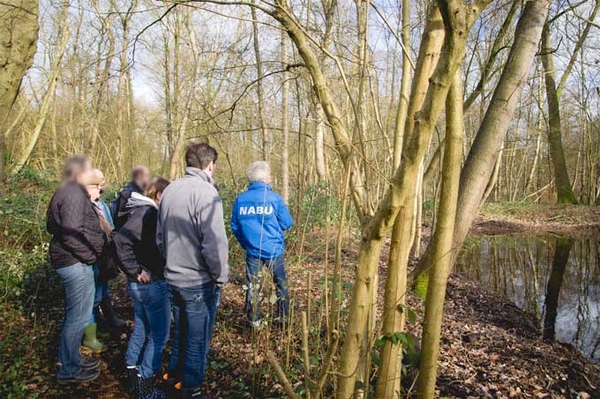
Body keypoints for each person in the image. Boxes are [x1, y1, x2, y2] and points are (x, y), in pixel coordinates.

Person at [157, 143, 229, 398]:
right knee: (197, 341)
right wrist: (220, 277)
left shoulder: (170, 190)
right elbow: (215, 242)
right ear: (210, 165)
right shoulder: (206, 193)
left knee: (181, 334)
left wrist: (172, 263)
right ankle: (191, 390)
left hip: (173, 278)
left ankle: (173, 379)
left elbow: (159, 237)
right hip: (197, 282)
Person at [46, 156, 105, 384]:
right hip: (74, 263)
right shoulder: (71, 194)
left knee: (78, 315)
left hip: (73, 261)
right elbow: (71, 232)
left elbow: (53, 226)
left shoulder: (67, 191)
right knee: (77, 317)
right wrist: (89, 256)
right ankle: (69, 370)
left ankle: (73, 360)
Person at [114, 178, 171, 399]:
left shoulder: (139, 210)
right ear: (158, 195)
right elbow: (120, 241)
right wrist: (136, 270)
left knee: (142, 328)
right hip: (150, 284)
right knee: (159, 335)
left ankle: (133, 377)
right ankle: (145, 390)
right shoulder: (147, 214)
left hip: (142, 285)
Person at [231, 161, 293, 328]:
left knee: (253, 286)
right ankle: (283, 317)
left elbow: (235, 226)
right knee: (281, 284)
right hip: (274, 250)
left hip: (252, 251)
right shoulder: (274, 198)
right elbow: (287, 222)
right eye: (270, 175)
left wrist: (246, 243)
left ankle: (253, 320)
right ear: (265, 178)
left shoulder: (240, 200)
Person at [81, 169, 125, 354]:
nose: (101, 189)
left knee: (102, 291)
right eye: (99, 185)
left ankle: (105, 322)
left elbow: (111, 226)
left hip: (104, 257)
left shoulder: (102, 204)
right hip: (90, 258)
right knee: (91, 298)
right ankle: (89, 338)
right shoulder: (82, 206)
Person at [113, 165, 151, 229]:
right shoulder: (128, 194)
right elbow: (123, 216)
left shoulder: (139, 191)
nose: (149, 179)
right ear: (140, 176)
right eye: (147, 176)